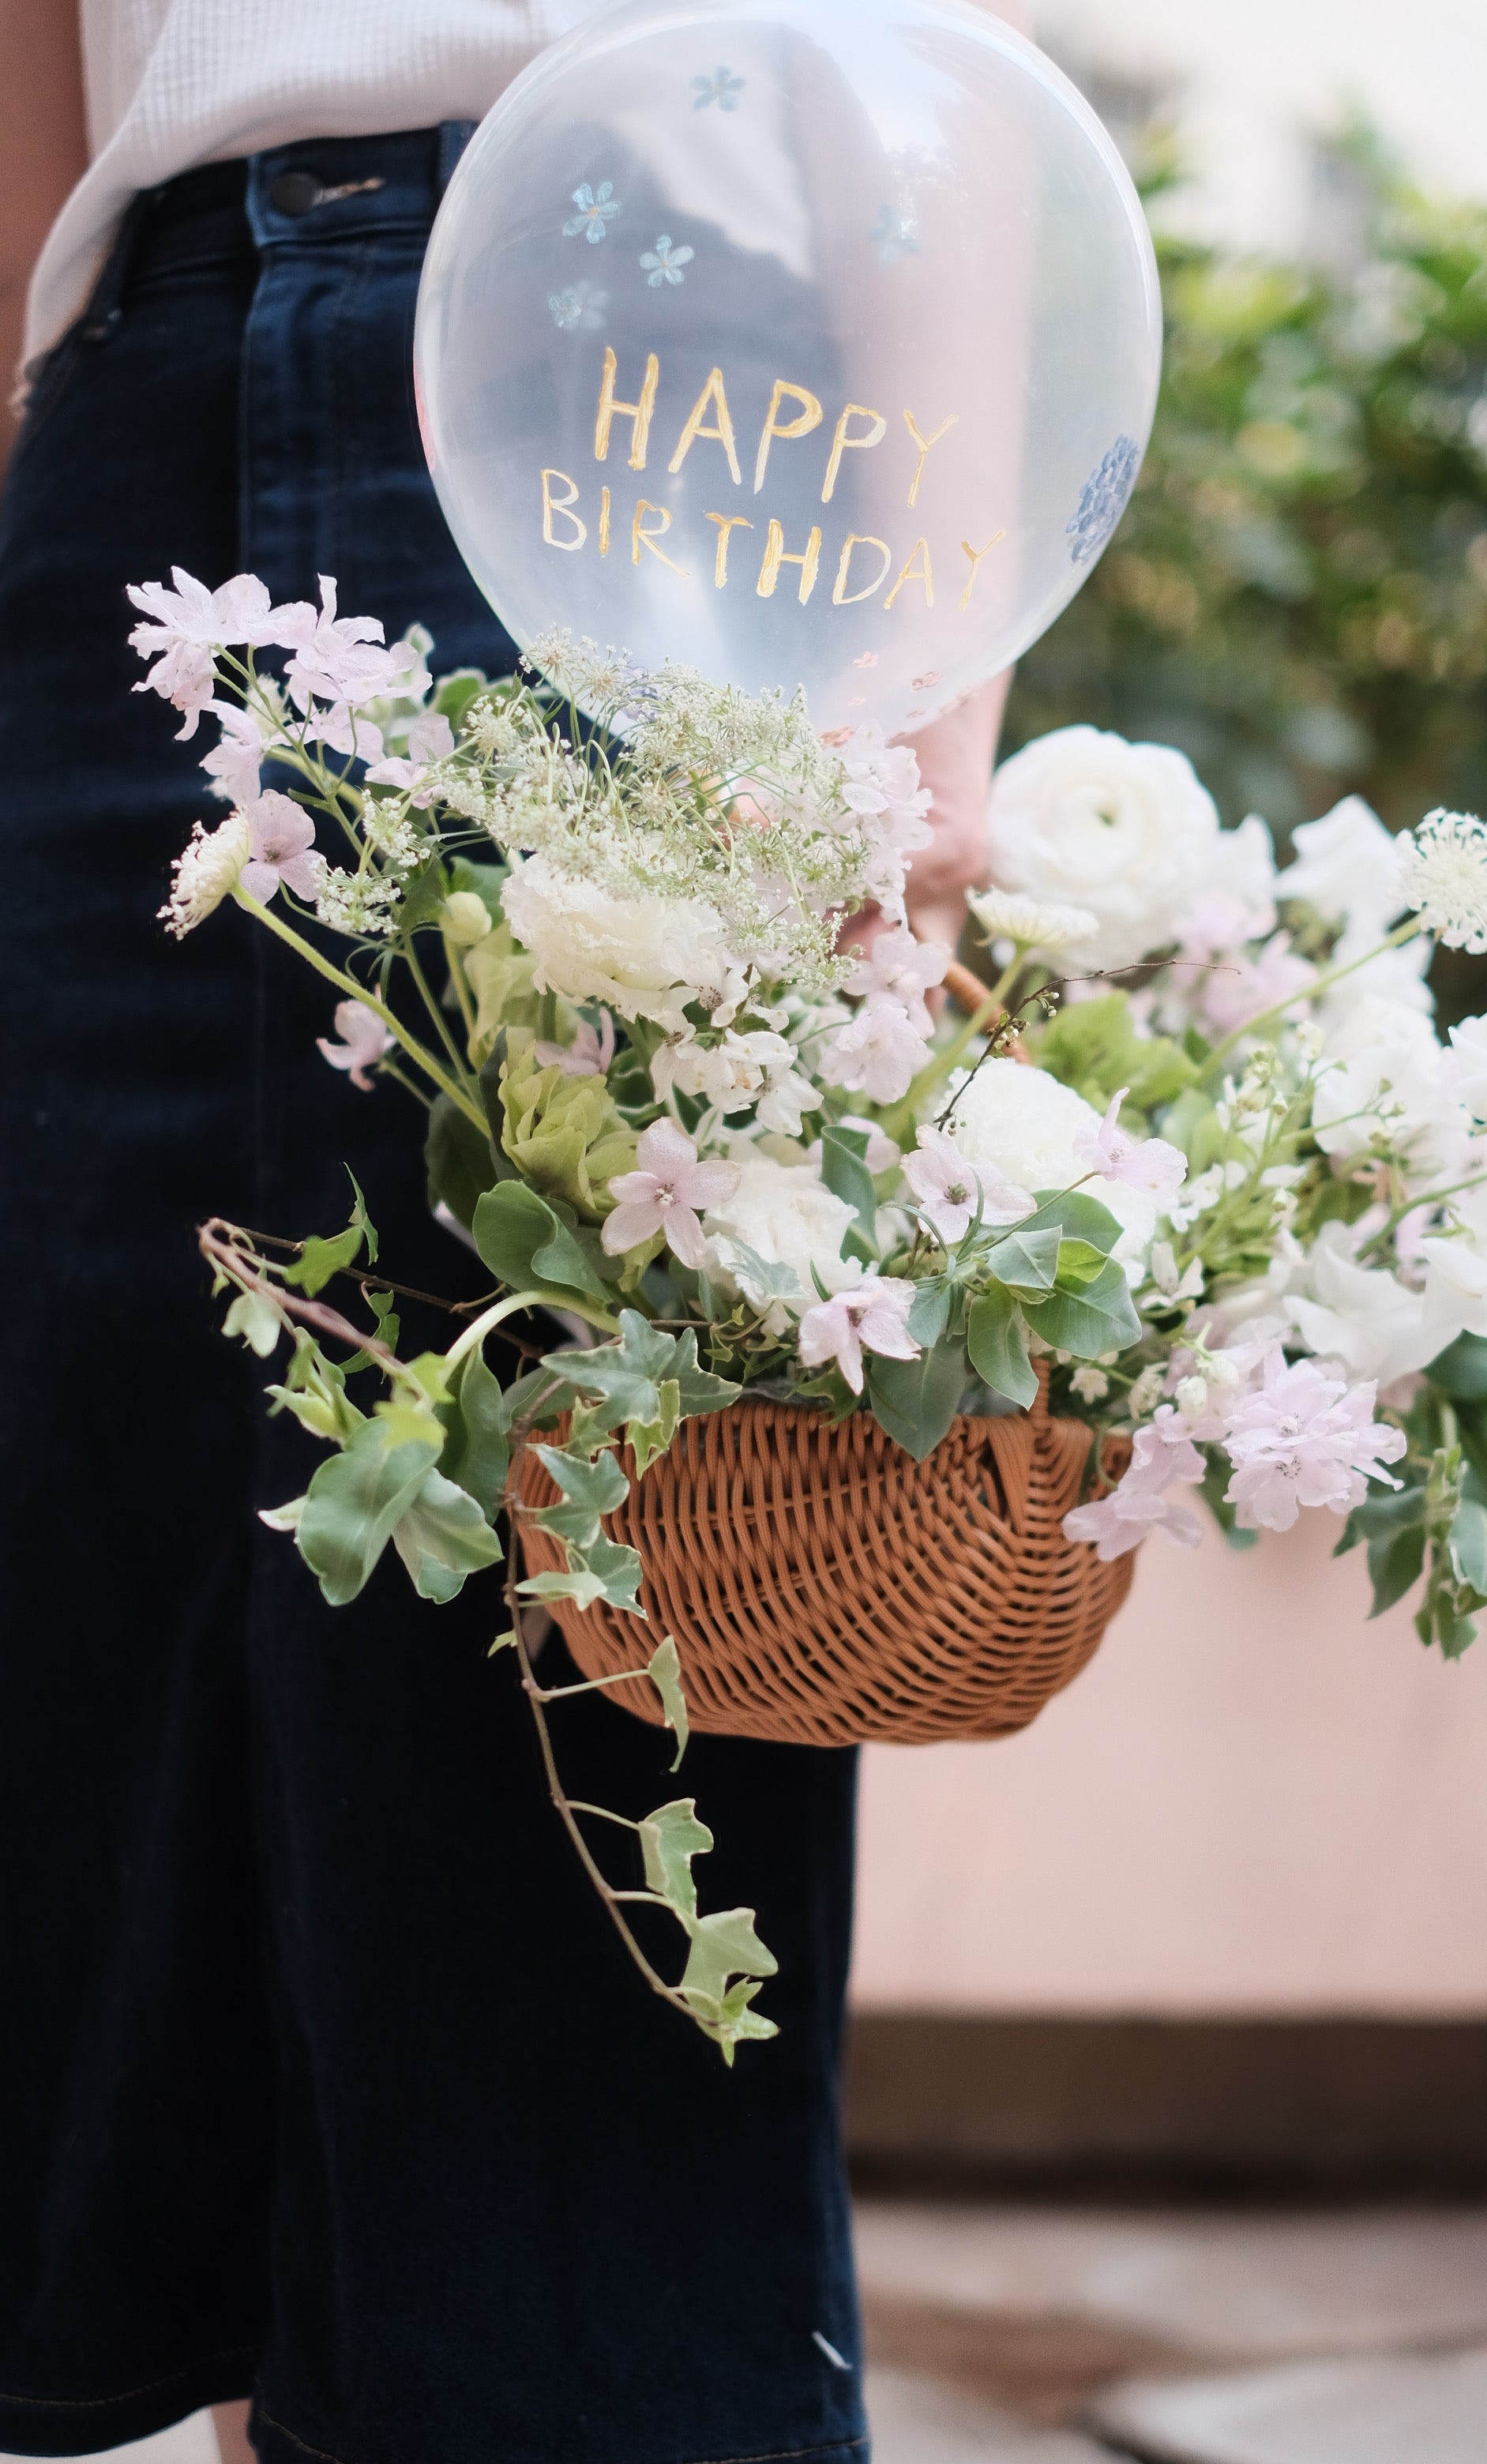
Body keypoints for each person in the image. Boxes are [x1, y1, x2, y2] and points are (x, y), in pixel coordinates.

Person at [0, 6, 1016, 2459]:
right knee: (103, 1602)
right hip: (131, 425)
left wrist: (921, 736)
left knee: (564, 1618)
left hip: (645, 380)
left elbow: (918, 56)